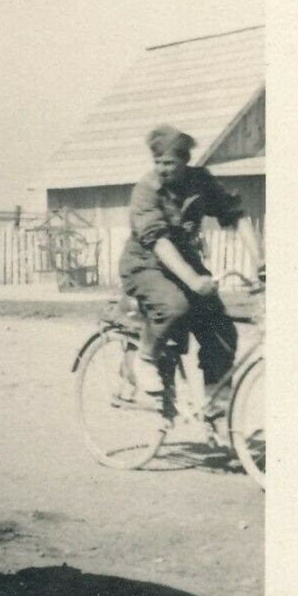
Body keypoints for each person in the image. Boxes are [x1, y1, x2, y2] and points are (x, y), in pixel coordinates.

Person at [120, 123, 264, 401]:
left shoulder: (201, 182)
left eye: (170, 163)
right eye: (158, 162)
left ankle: (217, 410)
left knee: (222, 332)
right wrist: (193, 280)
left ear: (185, 161)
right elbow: (158, 241)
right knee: (174, 305)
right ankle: (146, 358)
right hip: (145, 264)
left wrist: (260, 261)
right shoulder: (146, 190)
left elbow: (234, 215)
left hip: (184, 263)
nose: (162, 169)